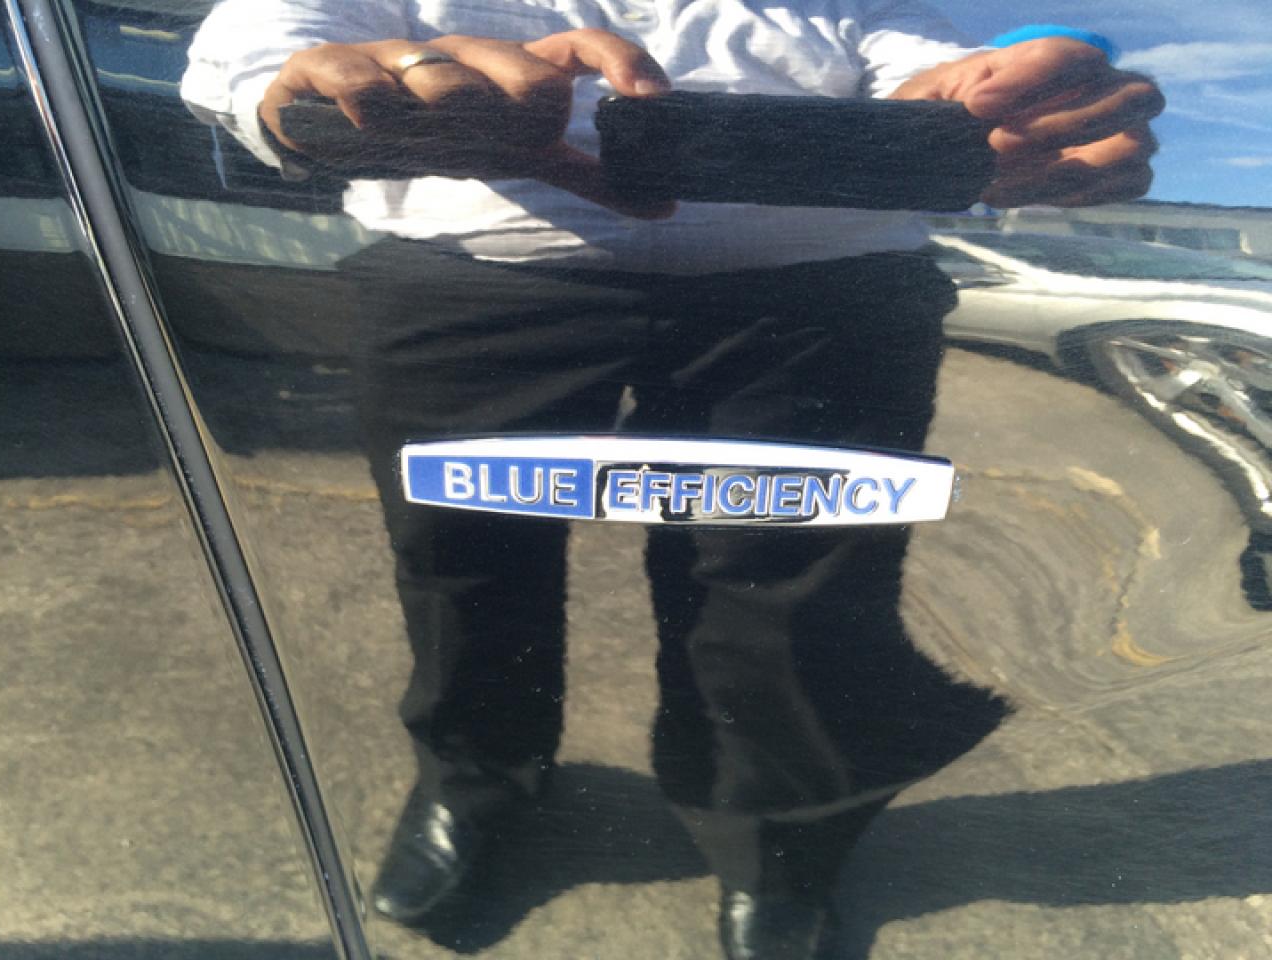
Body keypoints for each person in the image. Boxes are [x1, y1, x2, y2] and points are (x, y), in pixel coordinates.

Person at [183, 4, 1162, 958]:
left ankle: (772, 837)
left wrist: (1000, 101)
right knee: (459, 558)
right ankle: (472, 782)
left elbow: (926, 69)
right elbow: (269, 39)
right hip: (481, 278)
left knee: (790, 589)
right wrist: (302, 94)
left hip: (816, 299)